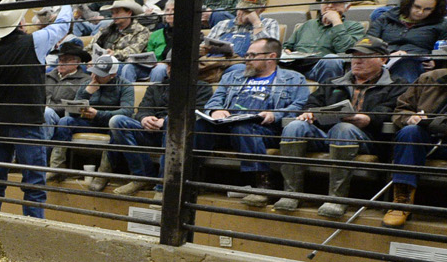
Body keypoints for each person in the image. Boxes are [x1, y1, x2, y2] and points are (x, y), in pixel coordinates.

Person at [275, 38, 403, 218]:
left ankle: (337, 199)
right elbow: (311, 104)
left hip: (369, 139)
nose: (357, 61)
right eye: (354, 56)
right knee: (295, 126)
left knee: (343, 128)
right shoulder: (332, 82)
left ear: (383, 59)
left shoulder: (397, 85)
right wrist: (309, 113)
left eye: (365, 56)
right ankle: (291, 194)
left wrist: (370, 119)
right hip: (326, 134)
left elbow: (395, 113)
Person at [199, 37, 309, 206]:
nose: (246, 59)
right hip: (227, 127)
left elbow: (299, 106)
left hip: (266, 130)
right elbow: (216, 99)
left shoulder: (294, 79)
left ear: (271, 57)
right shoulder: (233, 76)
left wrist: (275, 114)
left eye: (252, 55)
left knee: (243, 127)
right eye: (247, 55)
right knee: (196, 125)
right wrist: (215, 110)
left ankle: (262, 185)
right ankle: (190, 179)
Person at [106, 42, 219, 194]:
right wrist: (145, 118)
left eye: (177, 66)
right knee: (117, 121)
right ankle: (143, 177)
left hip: (182, 137)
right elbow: (141, 111)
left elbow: (198, 114)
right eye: (169, 66)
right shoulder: (155, 87)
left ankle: (163, 187)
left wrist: (165, 120)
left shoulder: (201, 88)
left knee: (170, 122)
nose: (171, 69)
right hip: (152, 133)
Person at [0, 8, 49, 216]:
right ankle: (33, 232)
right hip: (27, 121)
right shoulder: (32, 43)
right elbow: (60, 26)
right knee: (34, 182)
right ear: (20, 24)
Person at [47, 54, 133, 190]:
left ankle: (103, 174)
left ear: (113, 74)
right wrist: (87, 92)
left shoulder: (125, 86)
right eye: (95, 73)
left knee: (116, 128)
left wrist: (98, 114)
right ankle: (56, 167)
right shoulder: (88, 83)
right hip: (87, 122)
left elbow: (127, 112)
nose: (96, 77)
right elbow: (73, 107)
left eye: (101, 75)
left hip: (107, 124)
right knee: (65, 121)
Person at [385, 41, 447, 225]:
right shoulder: (429, 79)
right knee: (410, 131)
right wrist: (410, 118)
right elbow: (401, 110)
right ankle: (401, 201)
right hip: (428, 141)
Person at [282, 0, 367, 82]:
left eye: (336, 3)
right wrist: (287, 51)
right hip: (296, 67)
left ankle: (326, 94)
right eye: (326, 2)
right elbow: (287, 46)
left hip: (320, 69)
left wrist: (336, 22)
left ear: (347, 7)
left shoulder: (355, 27)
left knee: (332, 59)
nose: (330, 6)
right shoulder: (308, 24)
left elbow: (346, 51)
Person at [370, 0, 447, 83]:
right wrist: (390, 54)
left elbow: (442, 51)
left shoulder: (440, 25)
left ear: (435, 9)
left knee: (405, 63)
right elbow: (368, 42)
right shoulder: (387, 17)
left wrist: (435, 62)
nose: (420, 12)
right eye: (417, 7)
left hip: (415, 64)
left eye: (427, 9)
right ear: (409, 3)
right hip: (382, 59)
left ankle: (401, 97)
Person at [206, 0, 280, 58]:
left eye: (248, 11)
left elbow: (270, 50)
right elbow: (204, 46)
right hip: (215, 63)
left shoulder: (269, 23)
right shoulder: (222, 24)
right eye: (241, 8)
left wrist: (256, 23)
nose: (241, 13)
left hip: (243, 65)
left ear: (262, 9)